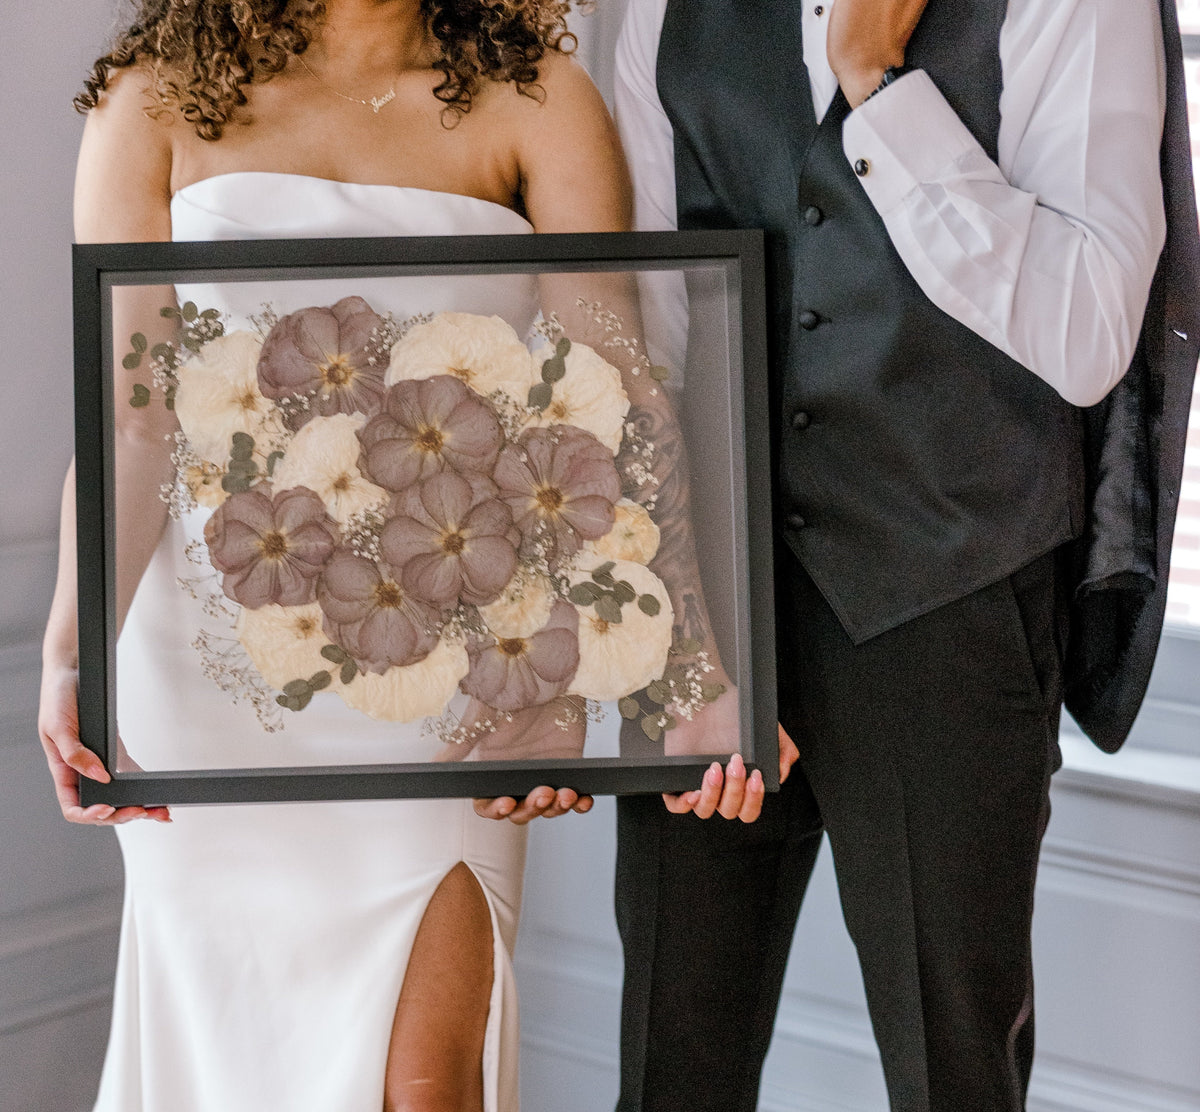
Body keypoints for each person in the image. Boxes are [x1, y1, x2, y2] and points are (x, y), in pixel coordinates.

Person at [36, 2, 649, 1108]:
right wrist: (70, 653)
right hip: (216, 684)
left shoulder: (542, 103)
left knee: (425, 1086)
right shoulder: (153, 106)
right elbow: (131, 418)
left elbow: (606, 414)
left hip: (445, 679)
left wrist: (557, 674)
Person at [610, 0, 1200, 1110]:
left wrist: (882, 88)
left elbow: (1086, 332)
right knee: (668, 1070)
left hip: (951, 596)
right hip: (710, 614)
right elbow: (649, 330)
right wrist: (682, 629)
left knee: (953, 1078)